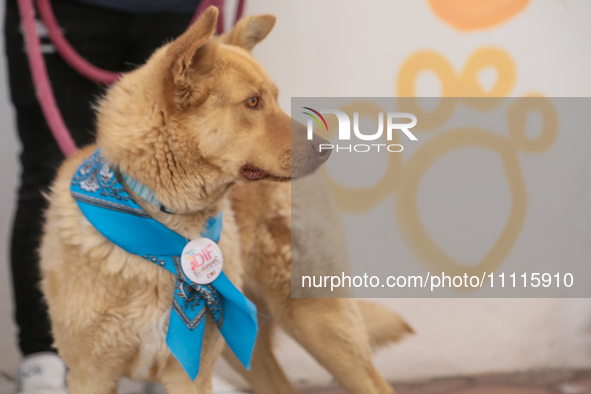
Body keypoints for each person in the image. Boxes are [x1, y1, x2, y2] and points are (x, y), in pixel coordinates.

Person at [4, 0, 200, 392]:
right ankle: (45, 358)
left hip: (174, 11)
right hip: (63, 11)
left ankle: (173, 358)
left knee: (176, 178)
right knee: (50, 176)